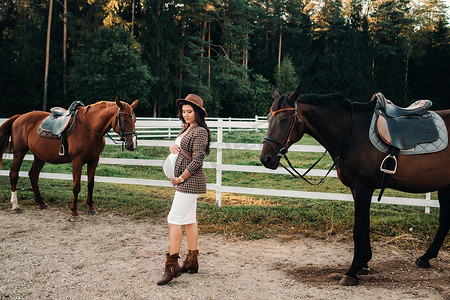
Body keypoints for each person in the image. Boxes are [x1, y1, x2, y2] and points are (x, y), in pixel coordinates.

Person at [157, 94, 211, 286]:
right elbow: (182, 149)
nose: (186, 114)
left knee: (173, 221)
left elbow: (197, 161)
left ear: (197, 113)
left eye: (189, 111)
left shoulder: (200, 132)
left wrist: (181, 177)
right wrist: (173, 147)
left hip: (190, 182)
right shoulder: (187, 128)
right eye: (184, 111)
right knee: (189, 221)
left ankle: (171, 265)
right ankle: (191, 261)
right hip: (185, 182)